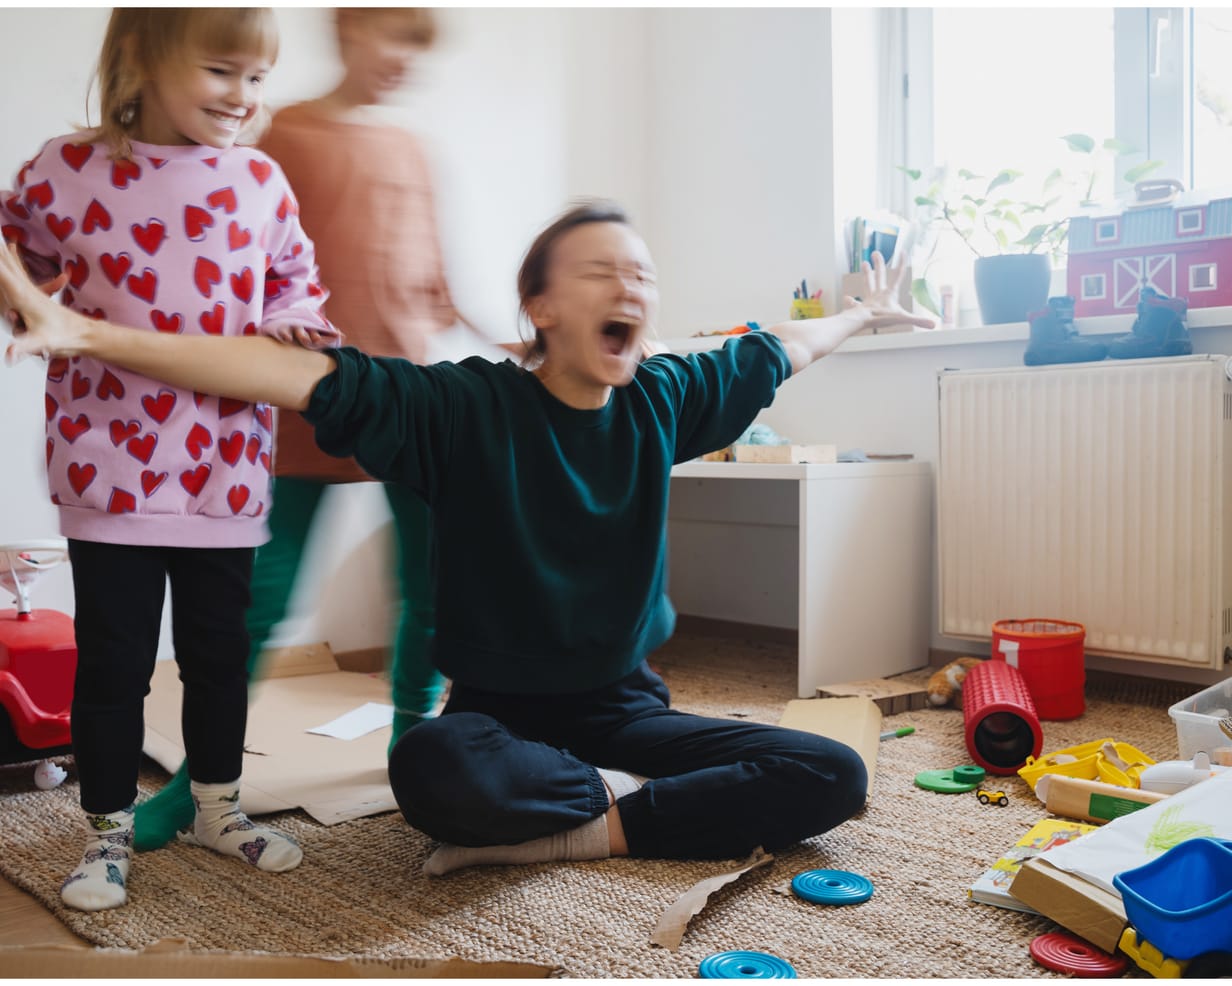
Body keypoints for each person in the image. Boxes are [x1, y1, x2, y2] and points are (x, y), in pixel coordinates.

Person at [0, 201, 932, 877]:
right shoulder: (465, 408)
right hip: (497, 718)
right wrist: (84, 330)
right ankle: (612, 799)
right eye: (603, 270)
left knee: (828, 771)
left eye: (642, 274)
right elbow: (287, 374)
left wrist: (863, 316)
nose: (631, 287)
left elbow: (775, 350)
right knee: (429, 767)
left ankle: (583, 824)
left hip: (628, 712)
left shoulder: (664, 399)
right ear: (542, 307)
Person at [0, 8, 339, 910]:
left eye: (257, 78)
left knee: (217, 655)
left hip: (226, 470)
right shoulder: (64, 171)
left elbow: (293, 279)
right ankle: (106, 830)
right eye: (223, 72)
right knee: (111, 664)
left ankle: (216, 809)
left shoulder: (261, 181)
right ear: (145, 59)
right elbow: (17, 260)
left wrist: (289, 319)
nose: (245, 97)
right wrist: (28, 308)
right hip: (107, 471)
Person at [132, 6, 458, 853]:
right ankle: (201, 778)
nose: (400, 61)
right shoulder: (290, 137)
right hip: (307, 406)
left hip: (412, 403)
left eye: (416, 48)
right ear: (349, 33)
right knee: (257, 601)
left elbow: (431, 280)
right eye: (390, 36)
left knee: (429, 591)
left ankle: (410, 741)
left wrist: (500, 336)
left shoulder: (415, 149)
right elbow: (248, 261)